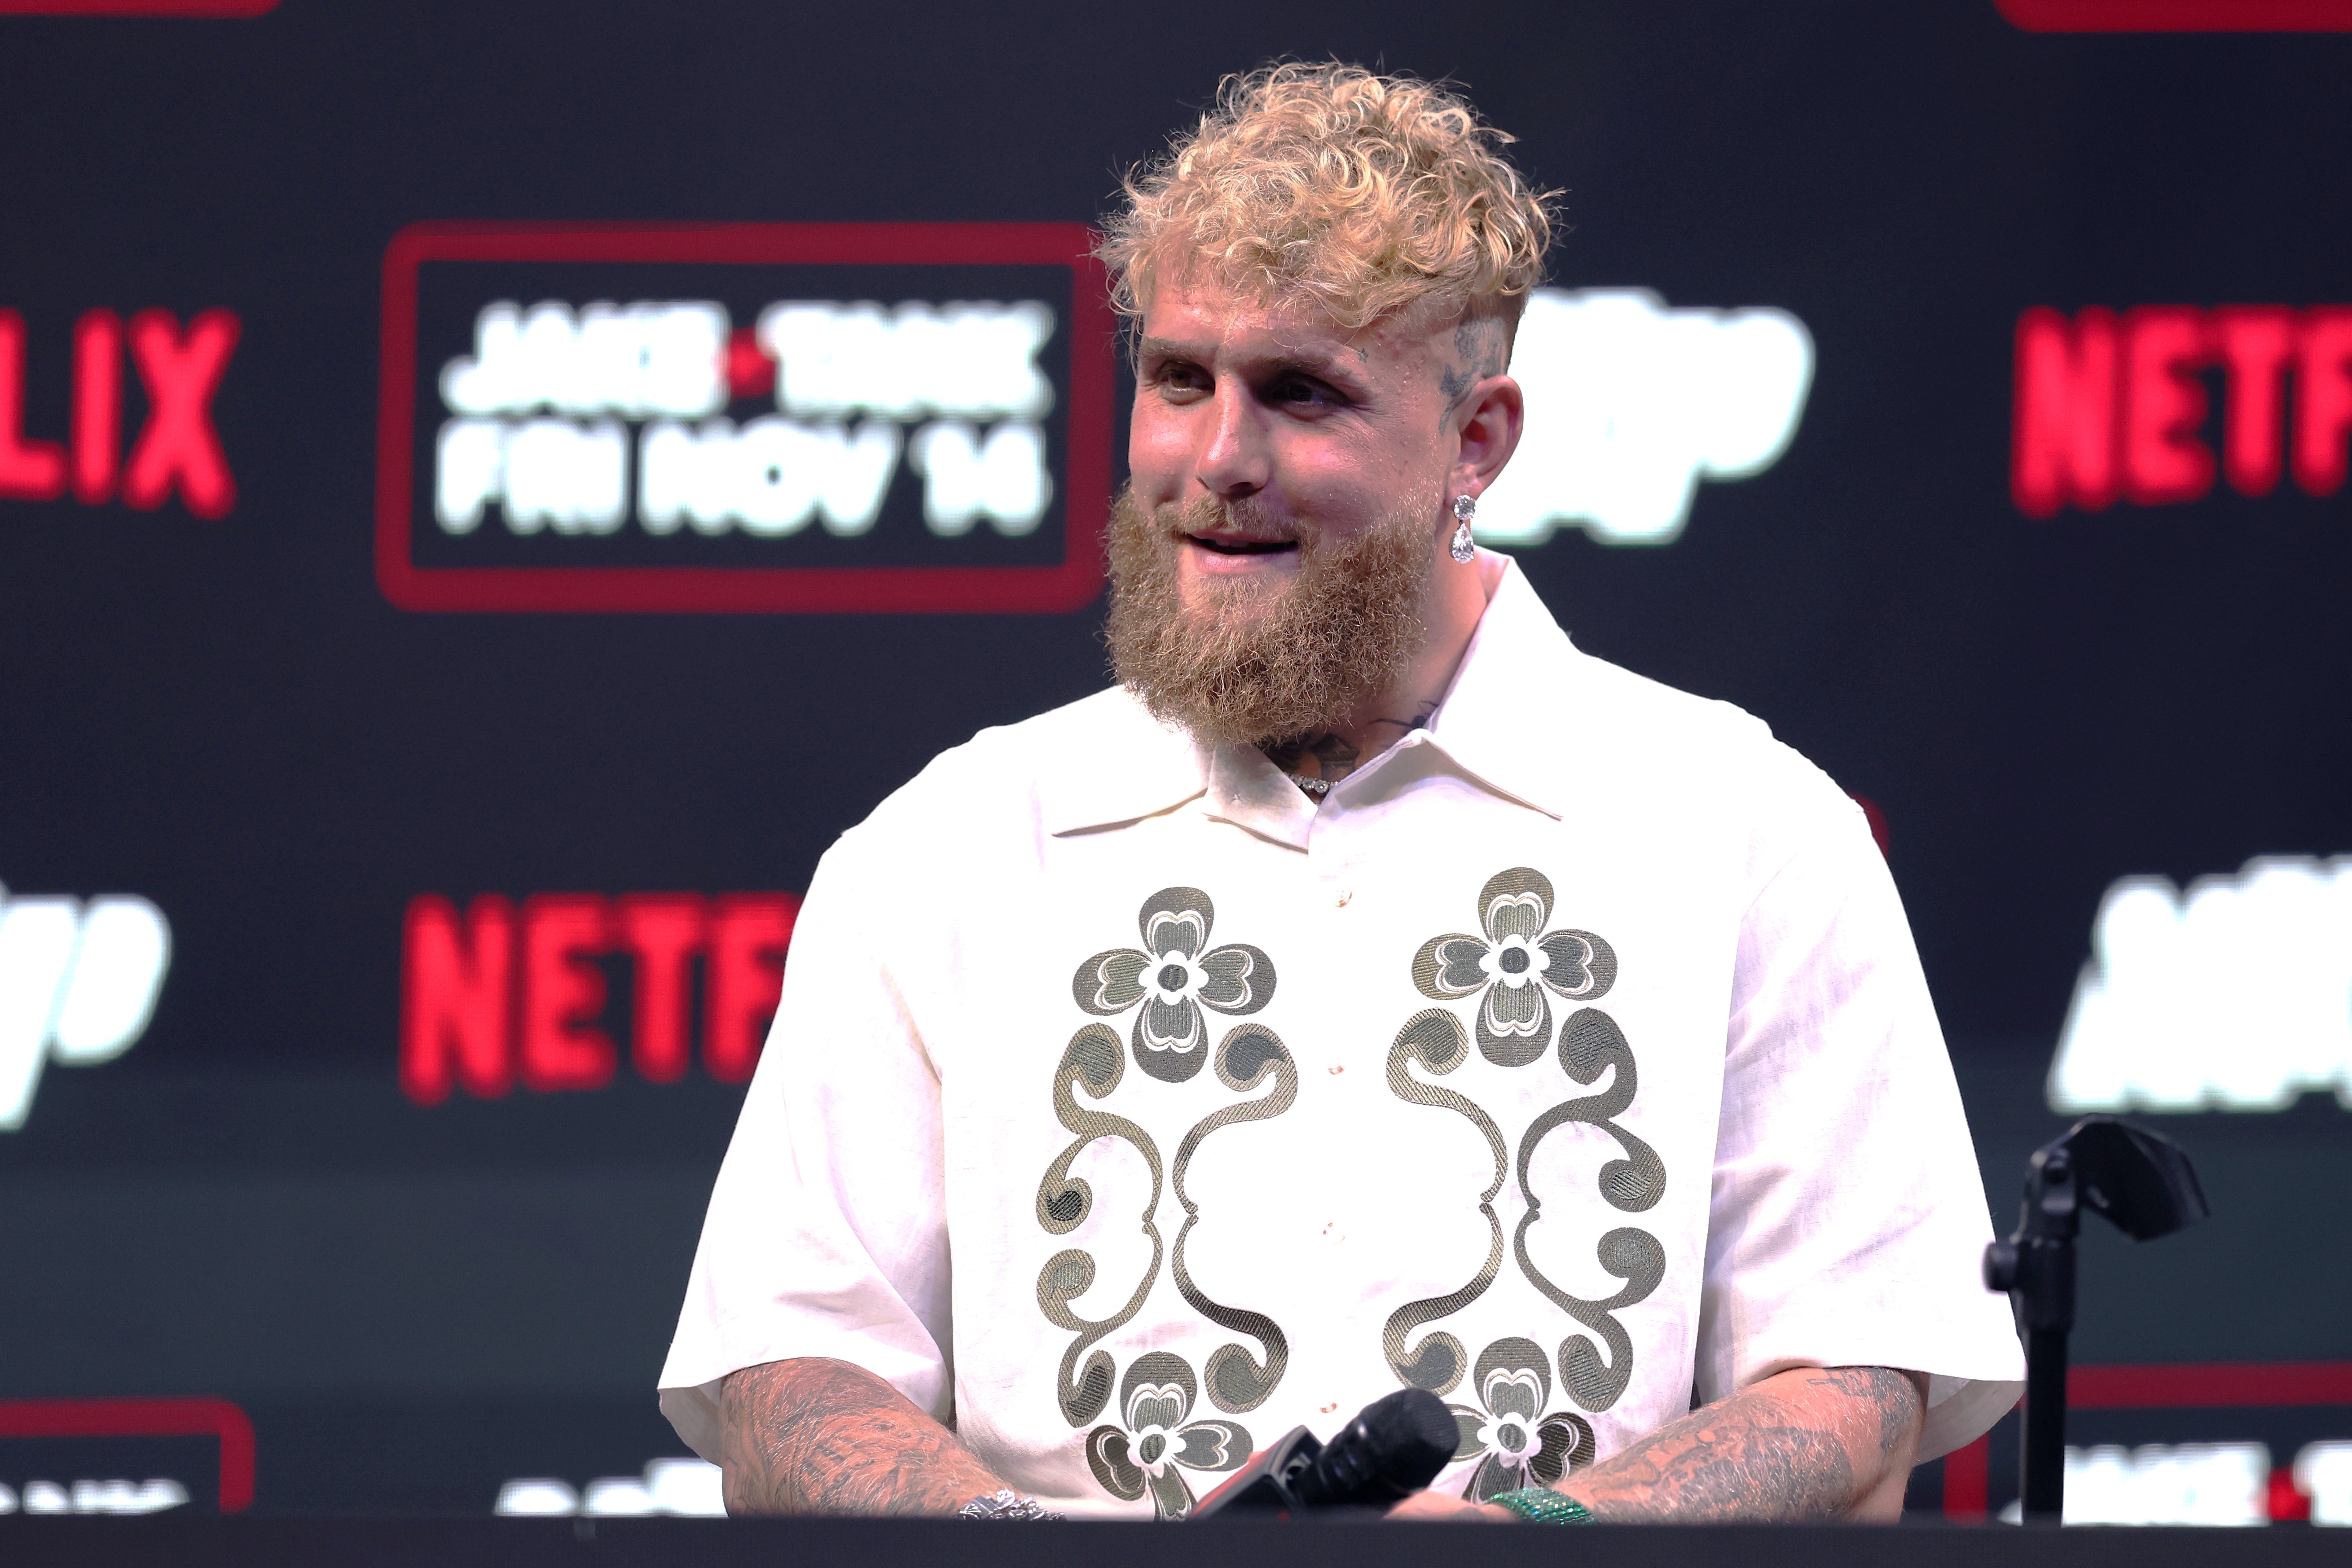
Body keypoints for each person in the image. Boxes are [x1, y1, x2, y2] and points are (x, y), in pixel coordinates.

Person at [658, 62, 2023, 1524]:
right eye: (1181, 380)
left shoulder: (1747, 832)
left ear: (1476, 442)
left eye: (1302, 394)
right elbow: (790, 1372)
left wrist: (1548, 1533)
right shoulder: (951, 849)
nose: (1219, 462)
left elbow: (1859, 1376)